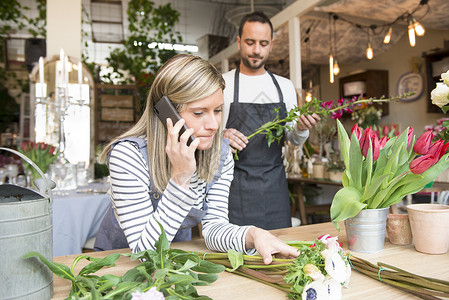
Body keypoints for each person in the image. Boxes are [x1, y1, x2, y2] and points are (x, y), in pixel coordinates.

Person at [93, 54, 299, 265]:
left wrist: (254, 235)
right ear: (166, 112)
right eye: (199, 112)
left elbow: (213, 229)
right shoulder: (129, 156)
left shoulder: (220, 155)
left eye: (218, 110)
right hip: (116, 266)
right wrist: (181, 178)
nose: (214, 124)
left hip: (173, 265)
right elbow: (145, 253)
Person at [222, 11, 320, 230]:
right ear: (239, 42)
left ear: (271, 44)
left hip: (275, 189)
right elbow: (206, 138)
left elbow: (293, 139)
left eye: (263, 43)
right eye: (250, 42)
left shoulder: (284, 86)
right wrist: (222, 136)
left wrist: (302, 128)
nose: (256, 50)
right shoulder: (223, 85)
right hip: (233, 190)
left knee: (278, 256)